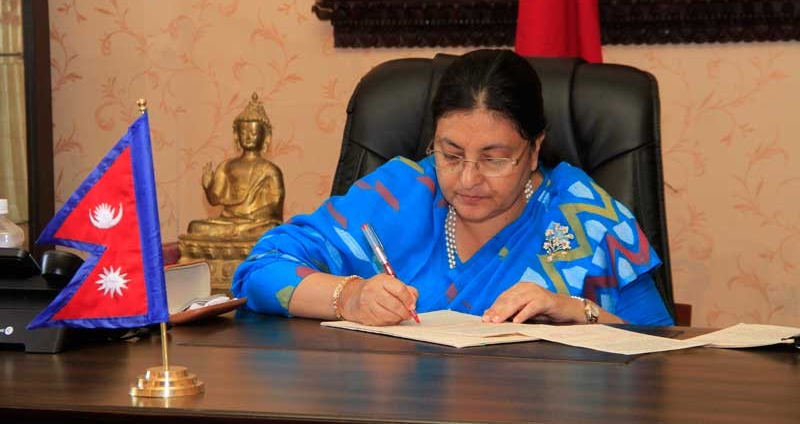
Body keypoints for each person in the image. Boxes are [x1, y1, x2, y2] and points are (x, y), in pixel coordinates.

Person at [231, 50, 674, 326]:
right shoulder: (402, 192)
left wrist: (577, 311)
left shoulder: (590, 222)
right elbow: (258, 271)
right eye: (451, 153)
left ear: (535, 149)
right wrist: (349, 296)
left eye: (495, 158)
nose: (467, 179)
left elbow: (660, 356)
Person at [187, 93, 284, 239]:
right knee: (195, 227)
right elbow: (215, 200)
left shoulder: (270, 170)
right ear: (236, 136)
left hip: (255, 223)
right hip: (228, 222)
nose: (248, 137)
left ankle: (240, 234)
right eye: (243, 132)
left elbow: (275, 206)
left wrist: (250, 217)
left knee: (271, 229)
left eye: (253, 133)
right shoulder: (227, 166)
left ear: (265, 137)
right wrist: (208, 187)